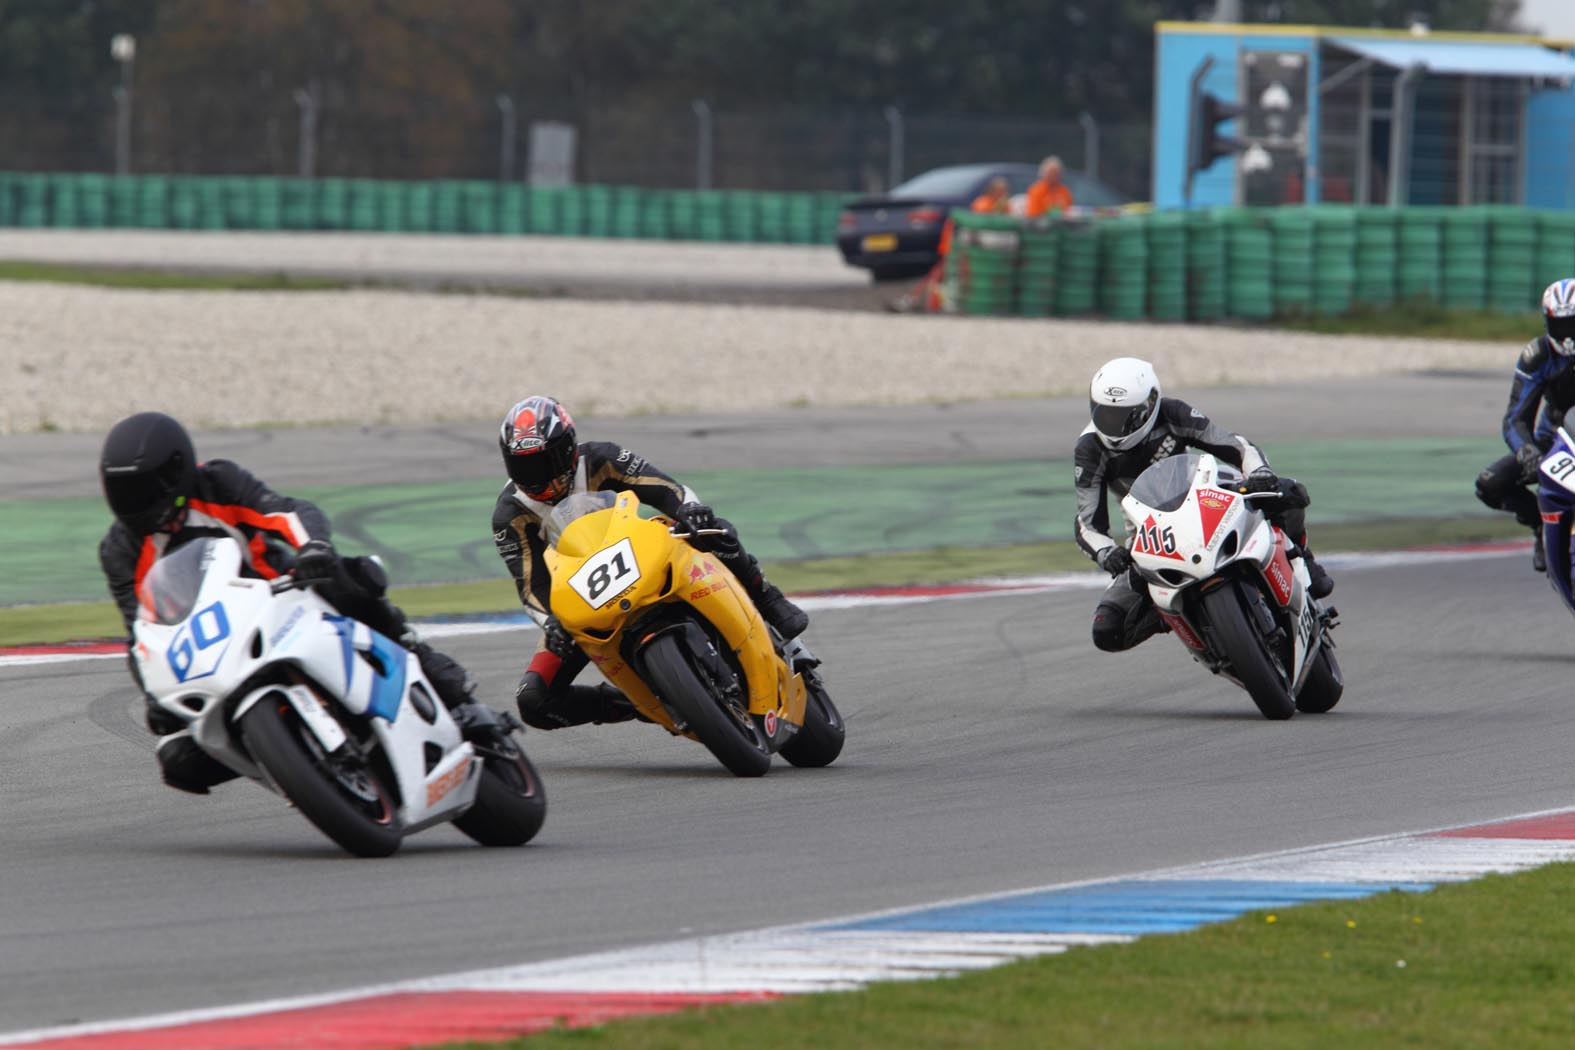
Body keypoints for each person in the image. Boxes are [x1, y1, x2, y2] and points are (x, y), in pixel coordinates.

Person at [98, 412, 486, 795]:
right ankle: (294, 767)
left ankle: (441, 681)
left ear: (175, 471)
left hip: (281, 596)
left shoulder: (216, 483)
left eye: (142, 490)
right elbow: (140, 631)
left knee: (348, 578)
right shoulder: (119, 550)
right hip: (215, 649)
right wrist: (155, 695)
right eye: (123, 492)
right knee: (178, 759)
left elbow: (285, 512)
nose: (134, 503)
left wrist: (312, 546)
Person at [492, 395, 808, 729]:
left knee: (714, 529)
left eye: (545, 462)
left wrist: (689, 510)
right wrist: (551, 623)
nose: (537, 477)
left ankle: (767, 599)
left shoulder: (602, 458)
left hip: (643, 554)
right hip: (583, 600)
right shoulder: (510, 514)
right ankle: (640, 702)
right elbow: (531, 585)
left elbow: (667, 489)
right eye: (523, 466)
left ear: (569, 448)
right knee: (534, 700)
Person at [1075, 358, 1333, 653]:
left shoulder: (1172, 413)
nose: (1113, 426)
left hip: (1203, 502)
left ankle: (1304, 559)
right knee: (1108, 628)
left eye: (1124, 417)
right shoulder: (1090, 448)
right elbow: (1086, 523)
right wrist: (1107, 553)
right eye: (1103, 413)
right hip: (1151, 539)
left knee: (1287, 493)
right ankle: (1178, 615)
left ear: (1150, 404)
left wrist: (1260, 473)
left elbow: (1235, 445)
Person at [1475, 278, 1575, 573]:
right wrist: (1528, 452)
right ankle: (1540, 525)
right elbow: (1515, 418)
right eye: (1561, 326)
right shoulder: (1538, 355)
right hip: (1557, 442)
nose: (1568, 336)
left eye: (1574, 325)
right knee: (1489, 484)